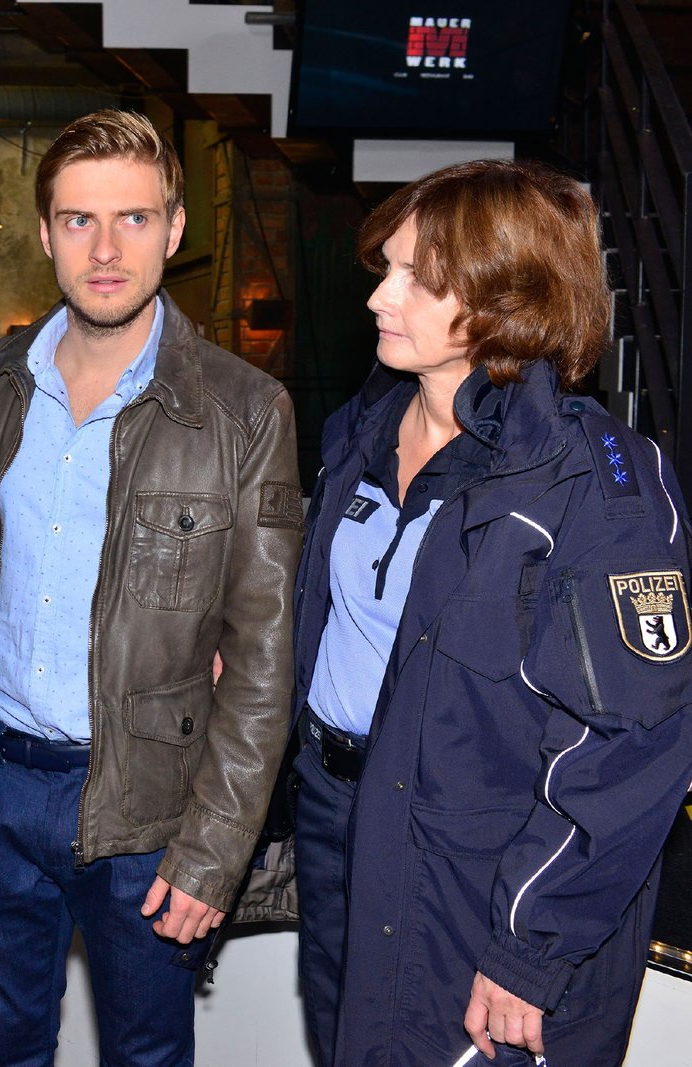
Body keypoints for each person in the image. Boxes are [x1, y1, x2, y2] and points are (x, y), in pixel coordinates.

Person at [0, 108, 302, 1065]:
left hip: (151, 809)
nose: (106, 250)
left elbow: (262, 663)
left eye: (134, 218)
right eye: (79, 220)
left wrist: (213, 851)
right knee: (1, 1047)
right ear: (44, 234)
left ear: (176, 228)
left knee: (146, 1057)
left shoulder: (245, 412)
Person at [291, 159, 692, 1066]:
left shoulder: (597, 488)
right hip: (338, 822)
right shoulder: (363, 428)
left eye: (419, 279)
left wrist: (529, 946)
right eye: (386, 268)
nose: (379, 297)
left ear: (511, 299)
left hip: (478, 871)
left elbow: (634, 745)